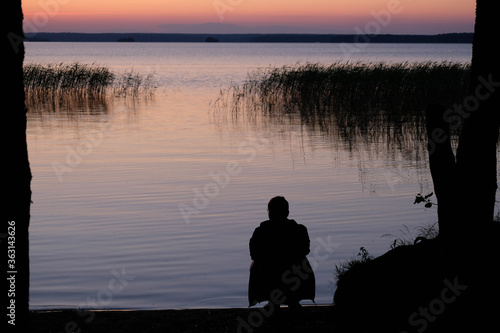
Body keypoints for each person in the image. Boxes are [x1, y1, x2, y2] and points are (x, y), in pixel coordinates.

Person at [248, 196, 315, 310]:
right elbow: (306, 250)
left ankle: (272, 301)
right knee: (302, 261)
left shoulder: (260, 231)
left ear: (270, 213)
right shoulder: (300, 230)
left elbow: (254, 254)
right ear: (287, 212)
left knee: (256, 264)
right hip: (294, 275)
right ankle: (293, 300)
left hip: (269, 275)